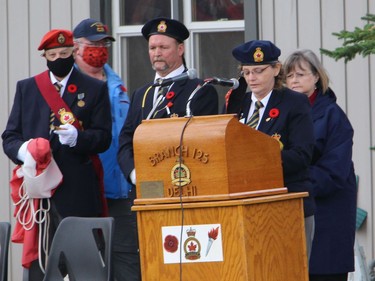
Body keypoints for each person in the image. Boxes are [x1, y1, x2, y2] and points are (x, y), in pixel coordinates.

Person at [2, 29, 112, 280]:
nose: (59, 58)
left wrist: (78, 139)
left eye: (64, 53)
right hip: (39, 194)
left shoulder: (94, 89)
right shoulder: (28, 88)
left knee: (81, 267)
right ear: (45, 57)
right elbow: (10, 137)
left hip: (78, 192)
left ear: (74, 52)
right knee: (40, 266)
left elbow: (104, 137)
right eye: (53, 54)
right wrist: (25, 151)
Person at [117, 17, 219, 279]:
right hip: (145, 194)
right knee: (151, 263)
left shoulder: (199, 91)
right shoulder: (142, 93)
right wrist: (135, 175)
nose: (157, 53)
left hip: (184, 195)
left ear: (180, 49)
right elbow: (126, 141)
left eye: (163, 47)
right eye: (152, 48)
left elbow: (202, 146)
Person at [226, 40, 316, 259]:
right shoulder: (238, 104)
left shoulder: (294, 102)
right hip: (246, 203)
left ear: (276, 69)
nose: (251, 78)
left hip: (287, 201)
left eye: (258, 71)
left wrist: (257, 163)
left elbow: (302, 155)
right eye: (246, 72)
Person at [284, 49, 357, 281]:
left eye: (301, 75)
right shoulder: (281, 114)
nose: (294, 80)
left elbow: (334, 171)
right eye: (289, 76)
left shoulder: (333, 116)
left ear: (316, 77)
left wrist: (294, 184)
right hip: (290, 214)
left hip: (326, 216)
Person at [72, 18, 136, 281]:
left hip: (120, 189)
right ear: (76, 49)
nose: (99, 49)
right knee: (86, 265)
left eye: (103, 44)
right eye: (92, 44)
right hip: (86, 189)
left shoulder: (116, 83)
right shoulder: (67, 87)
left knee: (128, 261)